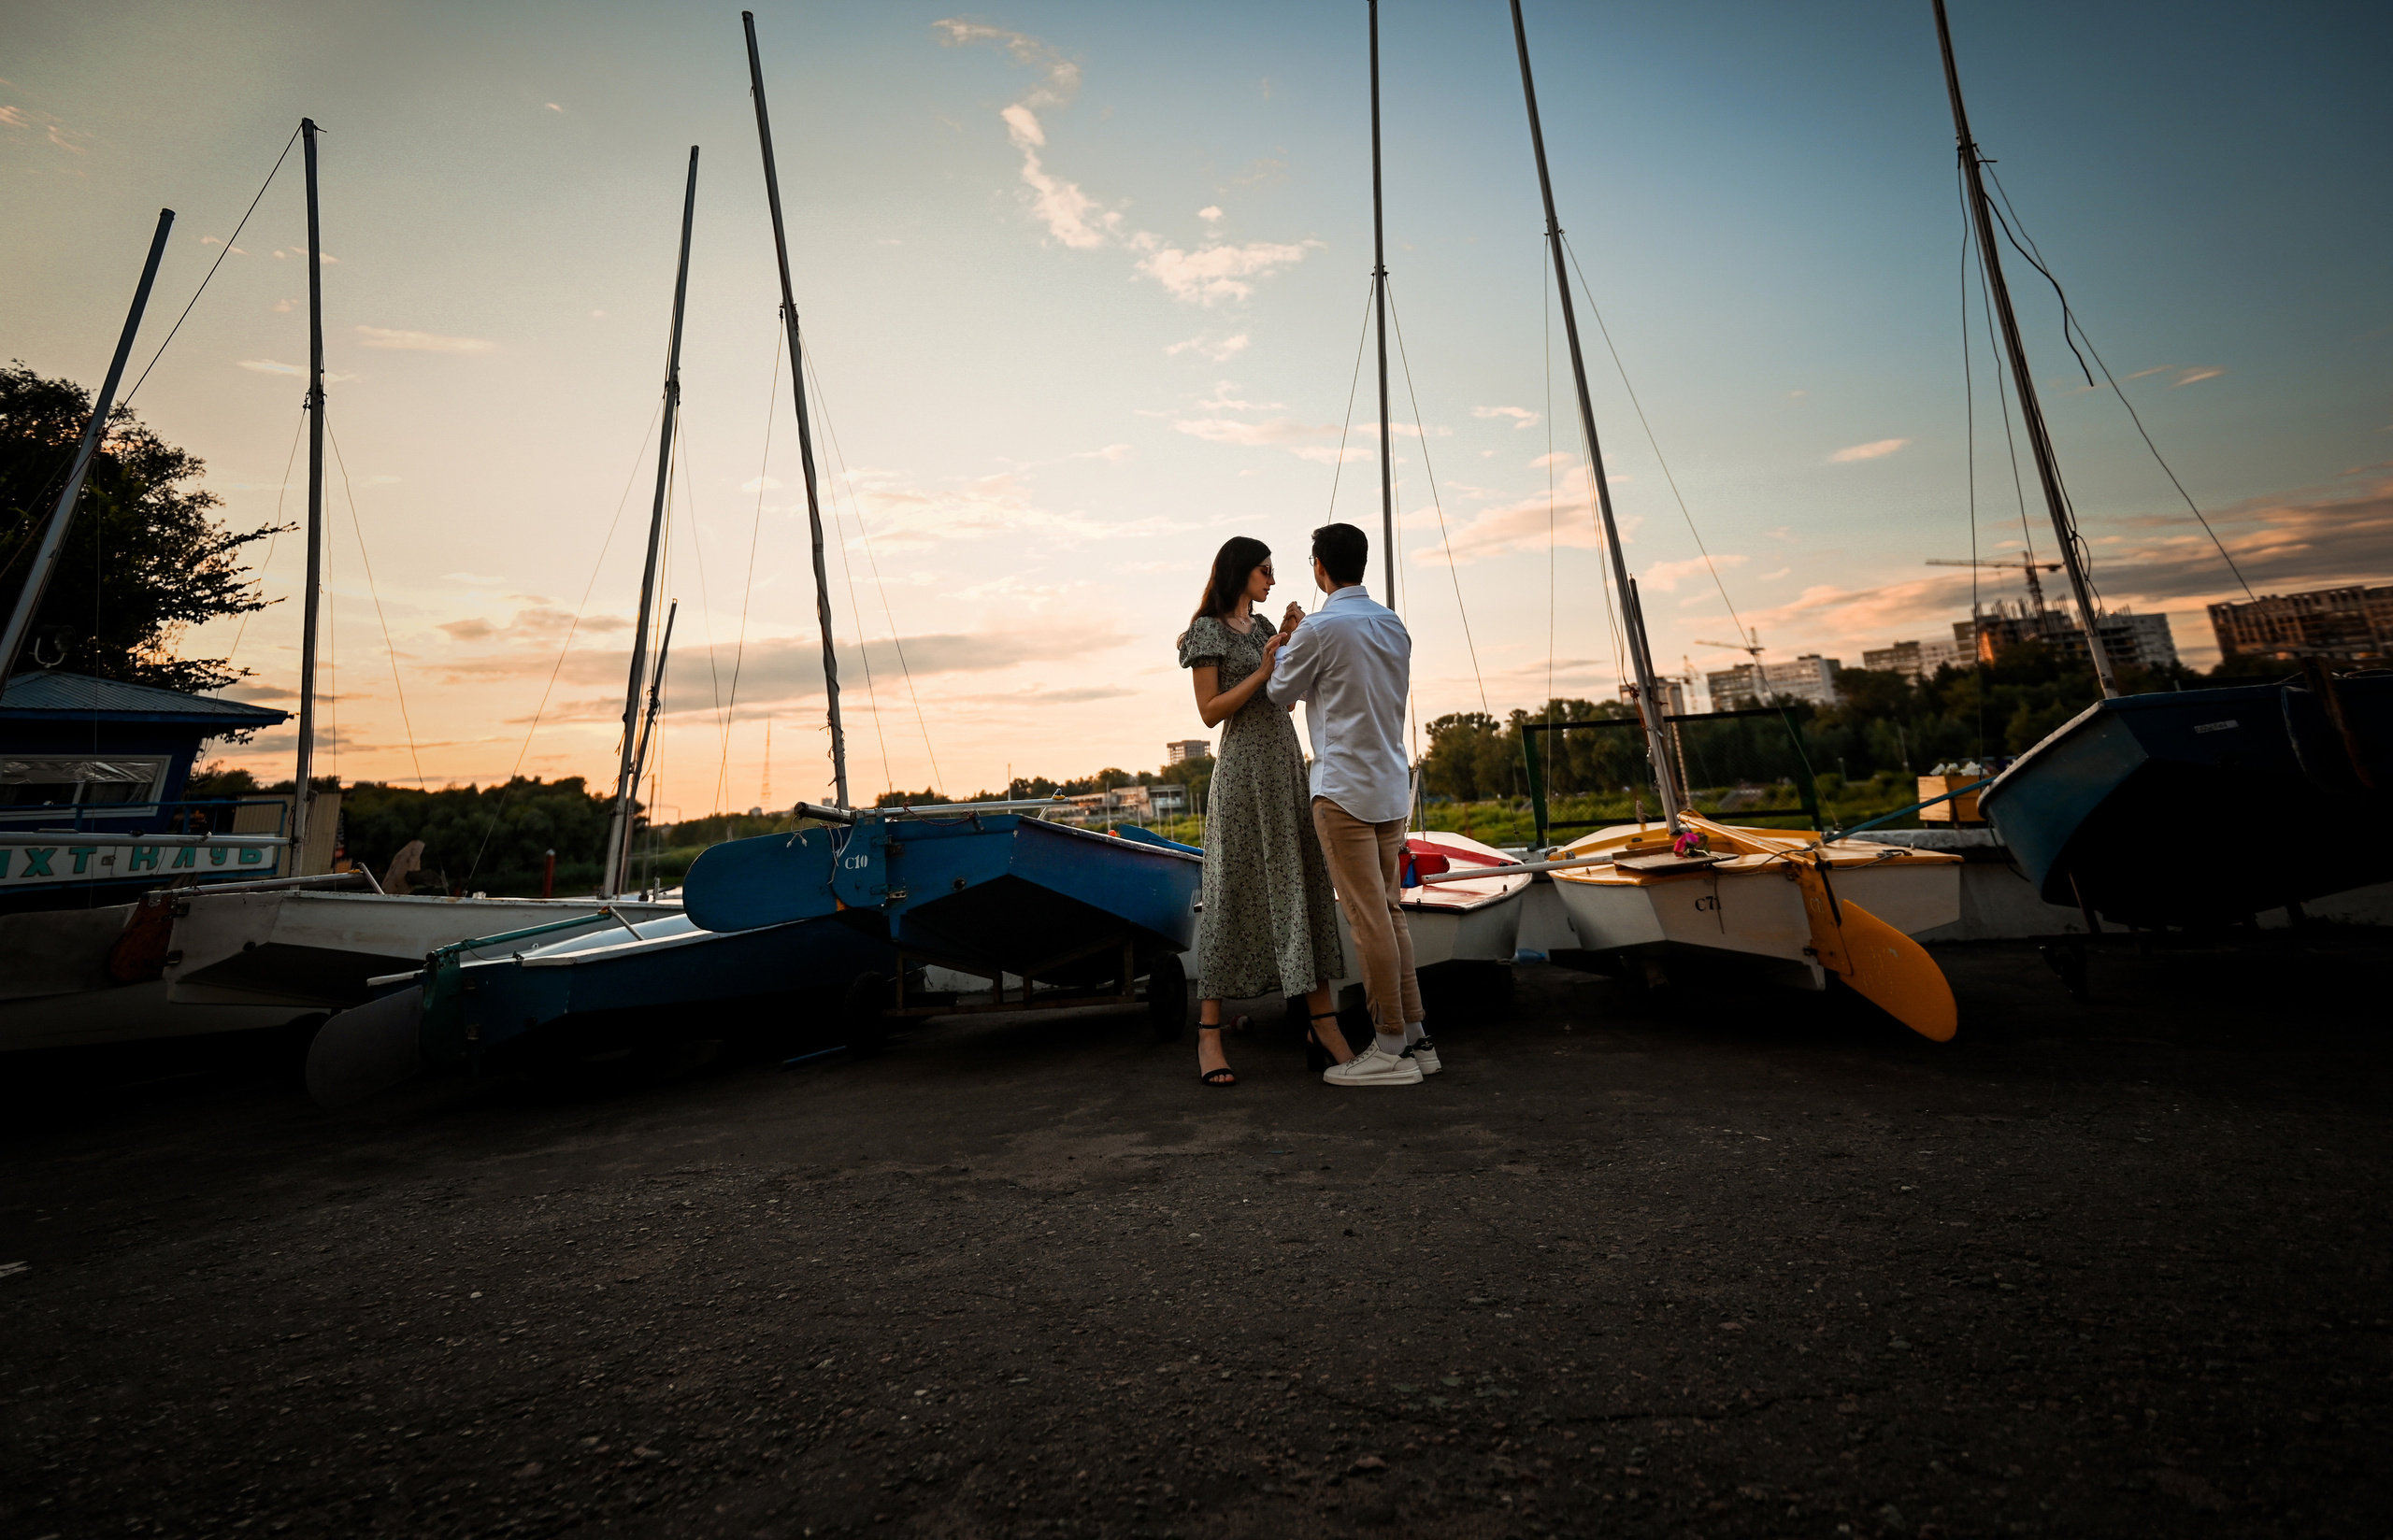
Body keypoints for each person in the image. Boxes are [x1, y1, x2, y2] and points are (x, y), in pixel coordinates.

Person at [1175, 537, 1354, 1087]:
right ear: (1239, 572)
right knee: (1231, 893)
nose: (1273, 580)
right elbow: (1209, 713)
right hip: (1242, 772)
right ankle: (1209, 1038)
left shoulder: (1259, 629)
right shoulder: (1207, 630)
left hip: (1284, 763)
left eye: (1273, 572)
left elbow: (1286, 698)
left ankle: (1322, 1025)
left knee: (1300, 886)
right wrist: (1262, 671)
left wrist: (1289, 641)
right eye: (1264, 571)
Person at [1264, 522, 1433, 1087]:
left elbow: (1279, 693)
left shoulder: (1319, 627)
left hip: (1343, 792)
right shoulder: (1392, 624)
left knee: (1368, 923)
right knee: (1391, 914)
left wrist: (1282, 645)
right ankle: (1415, 1039)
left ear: (1319, 566)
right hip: (1389, 785)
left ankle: (1387, 1050)